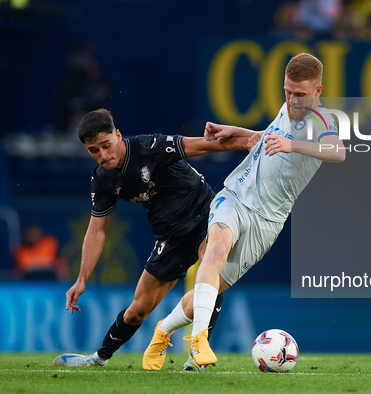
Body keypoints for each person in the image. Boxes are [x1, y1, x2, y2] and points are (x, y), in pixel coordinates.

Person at [143, 53, 345, 371]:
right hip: (236, 197)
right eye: (287, 91)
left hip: (268, 221)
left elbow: (337, 151)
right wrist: (235, 132)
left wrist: (293, 146)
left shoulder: (323, 121)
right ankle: (198, 342)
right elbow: (265, 139)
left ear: (318, 91)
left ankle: (162, 331)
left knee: (204, 294)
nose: (292, 99)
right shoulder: (288, 105)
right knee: (216, 249)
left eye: (300, 94)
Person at [53, 109, 250, 368]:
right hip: (169, 236)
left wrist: (253, 138)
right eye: (93, 150)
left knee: (210, 268)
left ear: (118, 135)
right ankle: (98, 359)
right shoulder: (102, 179)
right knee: (137, 310)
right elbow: (97, 230)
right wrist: (81, 279)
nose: (103, 155)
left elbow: (205, 145)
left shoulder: (149, 147)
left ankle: (197, 354)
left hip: (205, 216)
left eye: (106, 145)